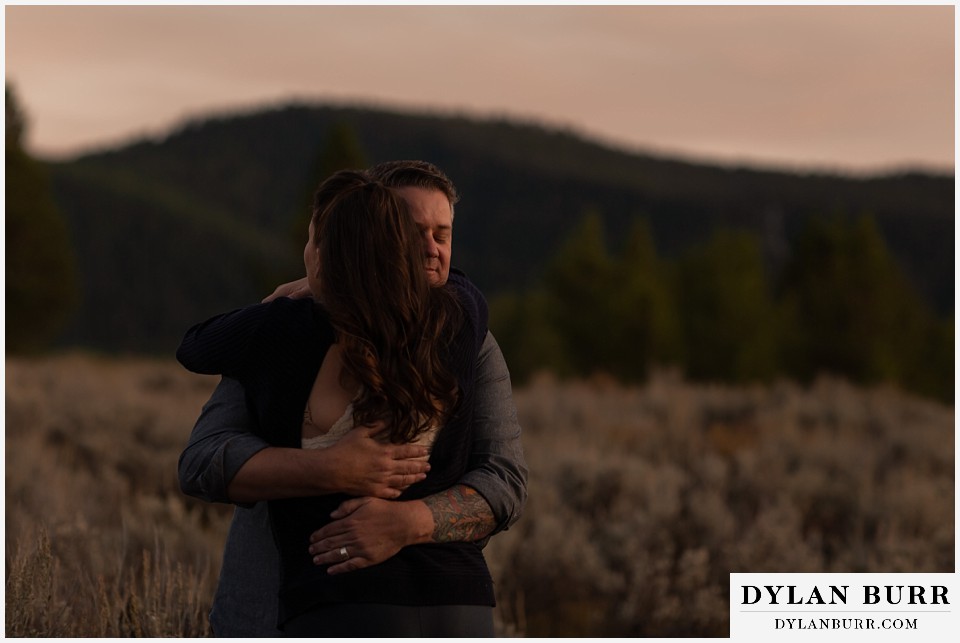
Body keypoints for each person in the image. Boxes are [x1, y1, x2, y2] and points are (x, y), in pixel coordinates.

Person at [179, 160, 526, 636]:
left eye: (441, 235)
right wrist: (329, 468)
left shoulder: (469, 335)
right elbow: (202, 462)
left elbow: (504, 481)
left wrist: (407, 522)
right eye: (408, 233)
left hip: (375, 600)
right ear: (367, 236)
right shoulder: (290, 332)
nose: (428, 251)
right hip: (278, 603)